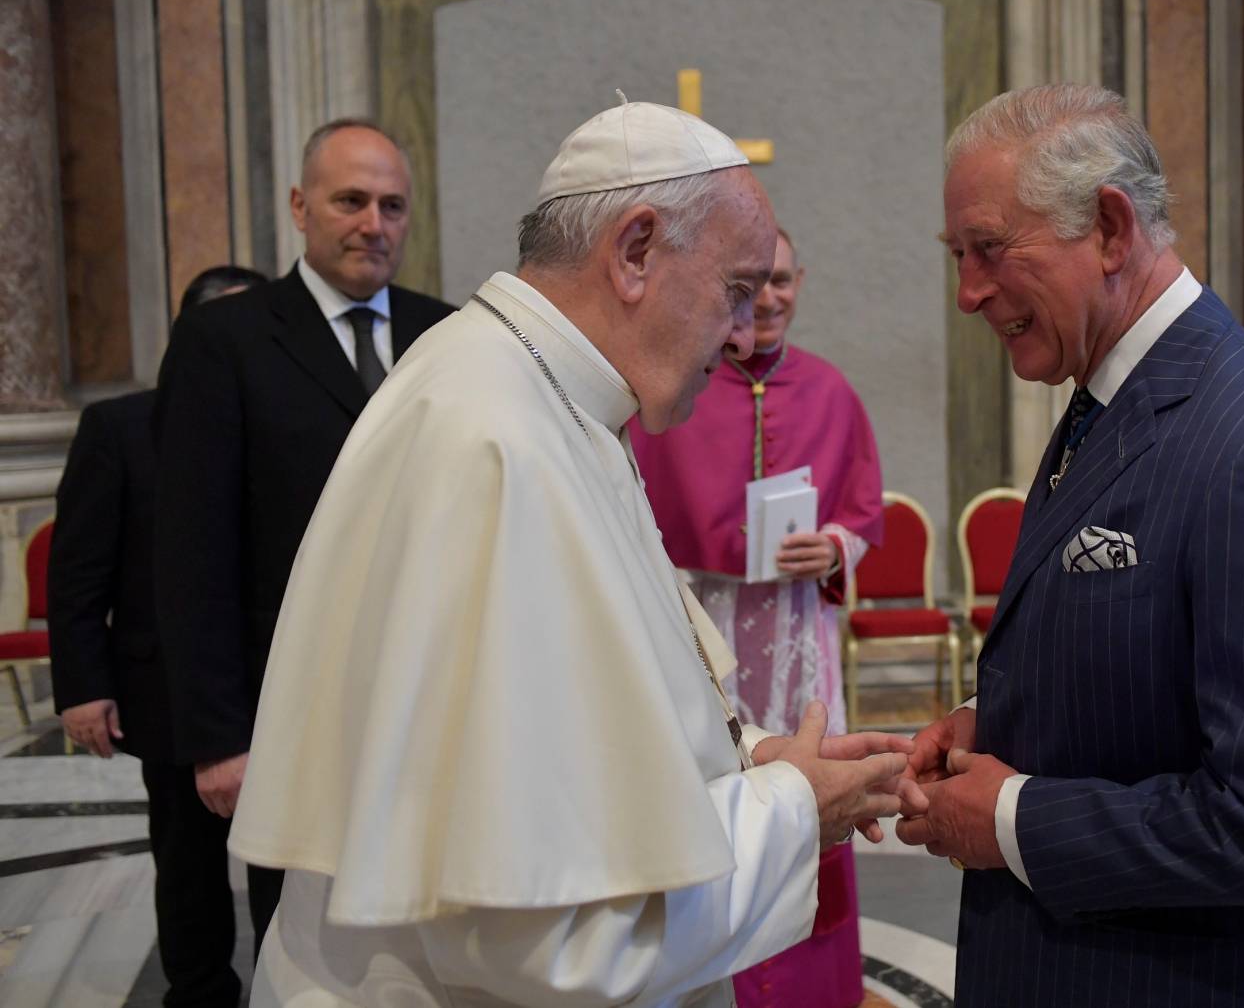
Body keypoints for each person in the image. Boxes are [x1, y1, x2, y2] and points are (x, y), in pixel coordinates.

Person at [227, 100, 912, 1007]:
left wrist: (747, 756)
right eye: (735, 291)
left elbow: (600, 705)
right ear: (635, 251)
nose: (742, 334)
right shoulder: (498, 439)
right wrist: (793, 811)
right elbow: (558, 936)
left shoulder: (545, 394)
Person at [896, 84, 1244, 1005]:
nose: (967, 293)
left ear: (1112, 230)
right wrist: (993, 723)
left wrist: (1008, 818)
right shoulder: (1104, 396)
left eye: (991, 251)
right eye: (958, 257)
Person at [153, 119, 453, 953]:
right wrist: (219, 737)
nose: (374, 224)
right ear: (299, 206)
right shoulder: (225, 341)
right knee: (311, 946)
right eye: (350, 200)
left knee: (432, 933)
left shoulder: (449, 333)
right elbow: (190, 551)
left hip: (430, 695)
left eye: (393, 205)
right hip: (293, 704)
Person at [630, 227, 883, 1008]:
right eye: (755, 283)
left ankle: (811, 986)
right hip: (704, 621)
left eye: (783, 281)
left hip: (796, 630)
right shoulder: (677, 387)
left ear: (801, 282)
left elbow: (864, 513)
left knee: (815, 792)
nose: (769, 299)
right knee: (717, 787)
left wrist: (835, 548)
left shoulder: (832, 389)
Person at [49, 264, 267, 1008]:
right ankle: (200, 993)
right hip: (169, 686)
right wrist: (83, 687)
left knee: (287, 866)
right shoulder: (119, 427)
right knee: (188, 864)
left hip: (277, 680)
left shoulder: (287, 424)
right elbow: (78, 572)